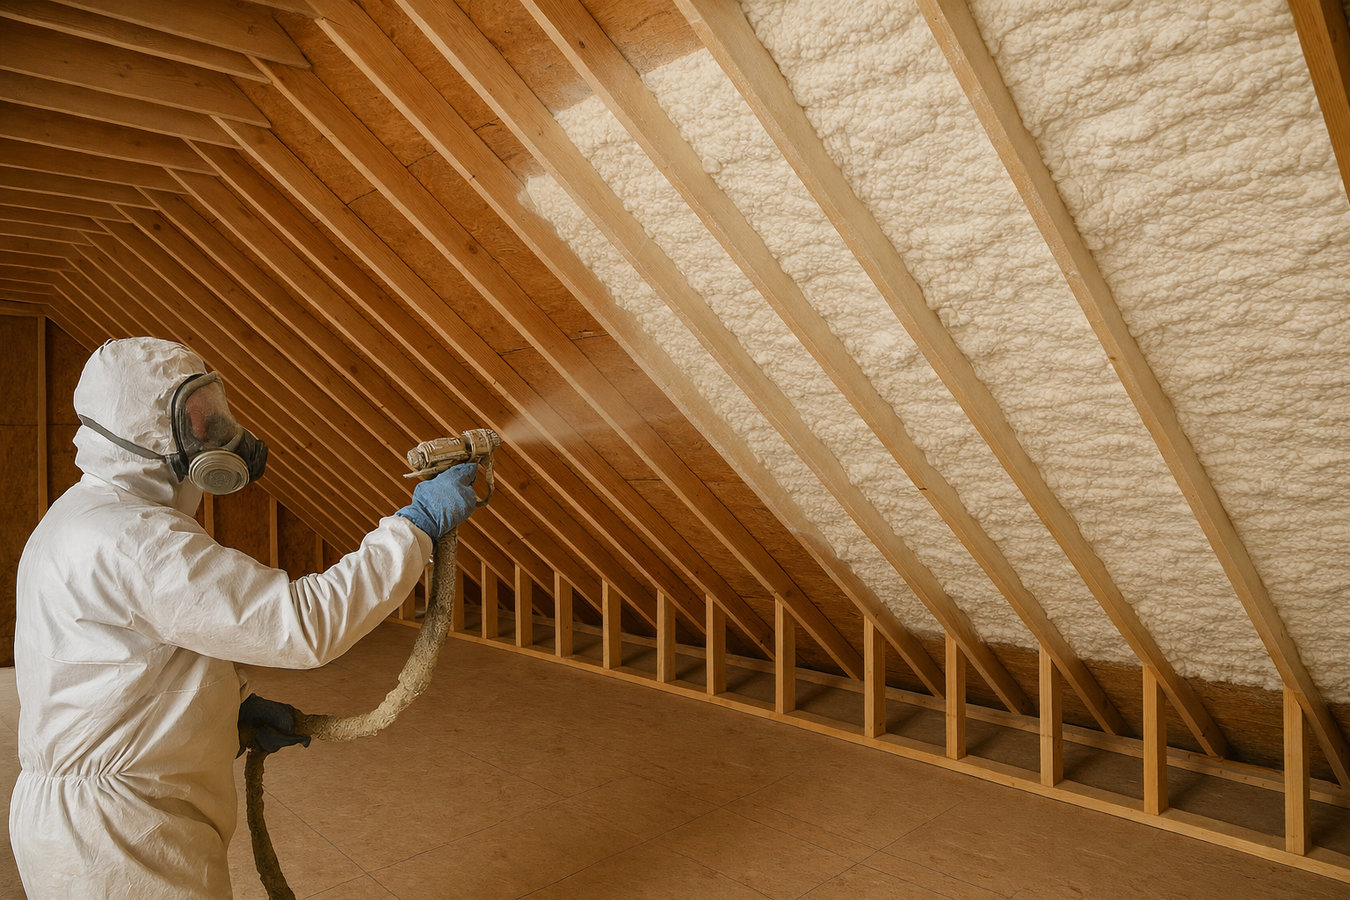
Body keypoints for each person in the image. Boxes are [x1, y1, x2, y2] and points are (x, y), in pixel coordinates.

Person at [10, 337, 480, 897]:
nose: (215, 431)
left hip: (101, 818)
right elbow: (303, 625)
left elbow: (124, 669)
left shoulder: (84, 515)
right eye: (197, 420)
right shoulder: (133, 539)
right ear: (145, 432)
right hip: (120, 838)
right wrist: (415, 527)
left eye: (212, 410)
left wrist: (221, 715)